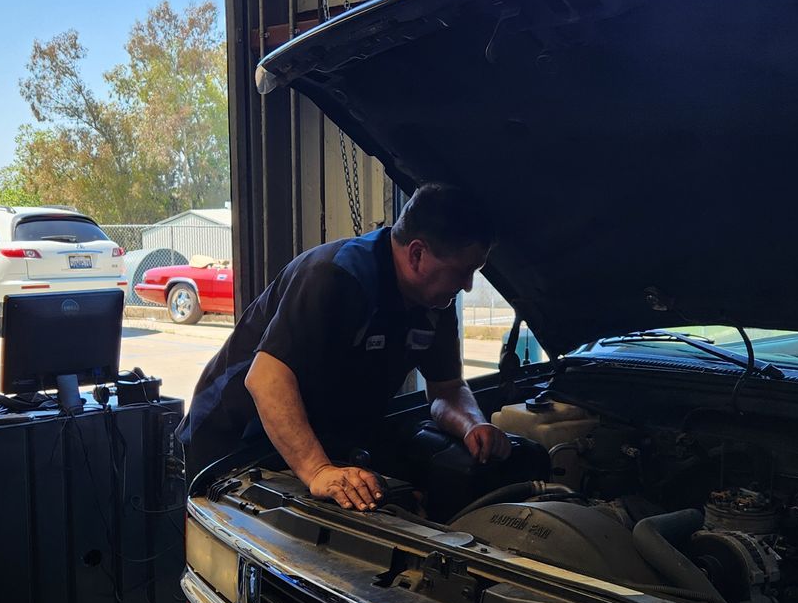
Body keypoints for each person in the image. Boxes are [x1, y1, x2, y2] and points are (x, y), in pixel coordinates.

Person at [180, 183, 546, 516]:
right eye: (462, 271)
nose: (467, 286)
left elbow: (447, 389)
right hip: (232, 444)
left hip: (316, 438)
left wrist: (472, 424)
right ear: (417, 254)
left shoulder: (435, 302)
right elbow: (266, 379)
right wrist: (317, 470)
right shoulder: (337, 276)